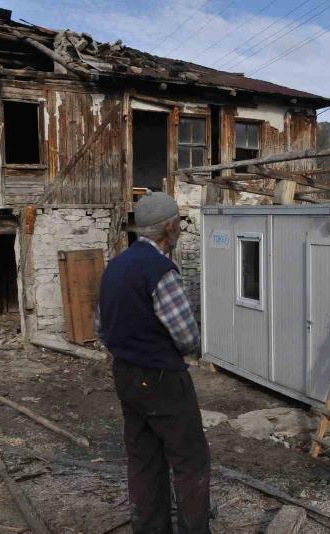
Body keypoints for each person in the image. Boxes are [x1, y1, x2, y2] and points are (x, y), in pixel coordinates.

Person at [96, 190, 209, 534]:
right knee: (190, 461)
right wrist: (191, 350)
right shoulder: (160, 270)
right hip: (162, 377)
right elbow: (186, 336)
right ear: (170, 228)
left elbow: (100, 328)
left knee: (143, 459)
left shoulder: (114, 266)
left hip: (125, 375)